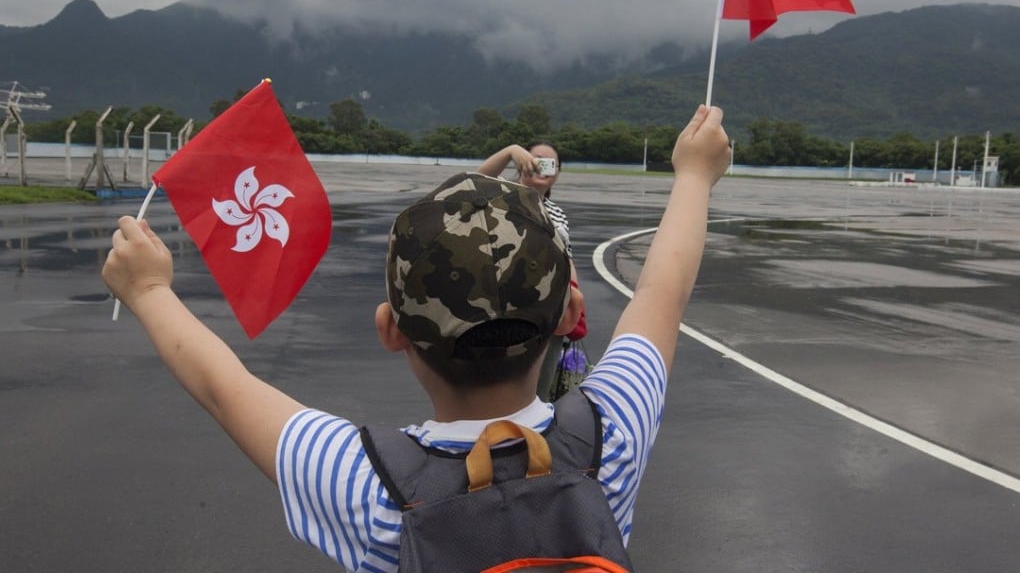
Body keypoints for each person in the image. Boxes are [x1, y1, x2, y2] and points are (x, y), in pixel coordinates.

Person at [101, 105, 730, 572]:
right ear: (570, 313)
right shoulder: (608, 440)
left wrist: (151, 292)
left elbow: (224, 387)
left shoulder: (369, 488)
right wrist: (694, 176)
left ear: (390, 331)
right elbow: (659, 296)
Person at [477, 140, 579, 399]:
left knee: (539, 391)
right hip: (503, 312)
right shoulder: (502, 197)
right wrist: (510, 150)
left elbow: (567, 258)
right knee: (493, 387)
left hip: (548, 313)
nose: (540, 167)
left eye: (548, 163)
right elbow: (475, 179)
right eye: (534, 160)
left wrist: (574, 304)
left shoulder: (557, 213)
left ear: (556, 173)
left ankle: (535, 438)